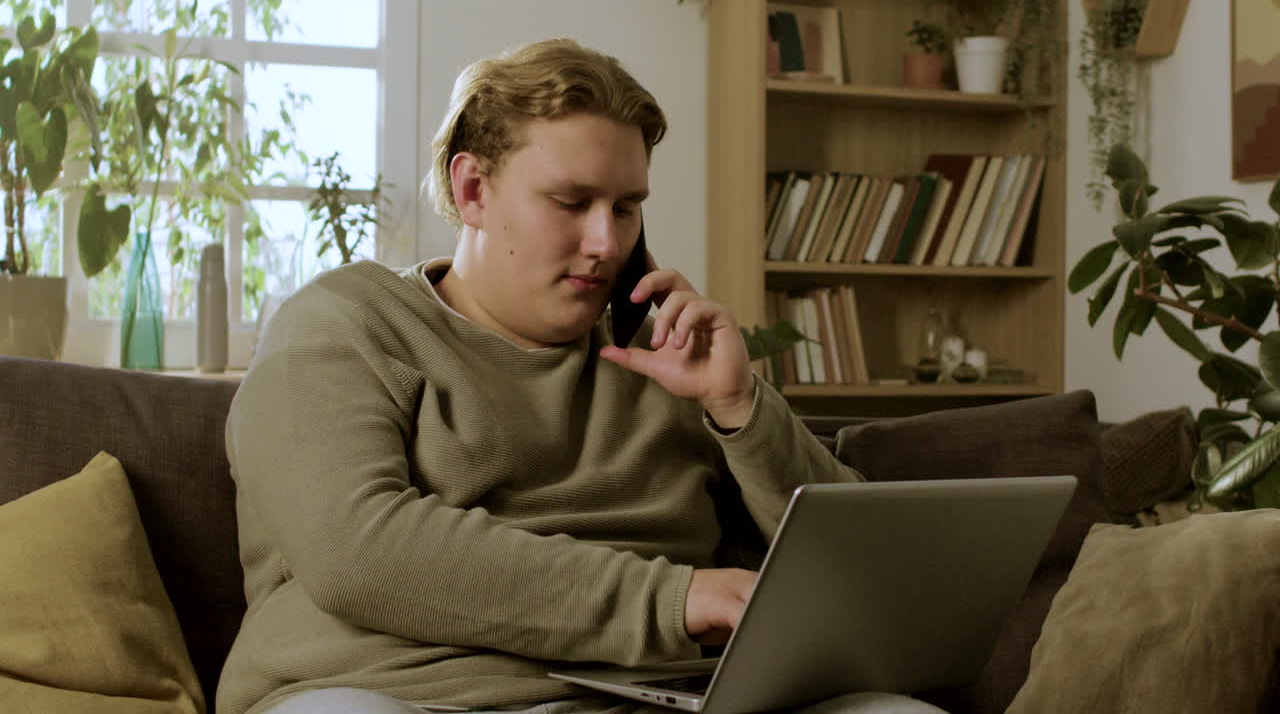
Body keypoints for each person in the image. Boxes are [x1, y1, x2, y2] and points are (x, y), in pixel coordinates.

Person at [217, 38, 946, 714]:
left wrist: (737, 407)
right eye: (572, 203)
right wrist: (675, 600)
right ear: (472, 190)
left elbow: (857, 575)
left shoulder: (665, 356)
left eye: (626, 208)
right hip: (397, 694)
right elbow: (358, 553)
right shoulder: (345, 323)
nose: (606, 242)